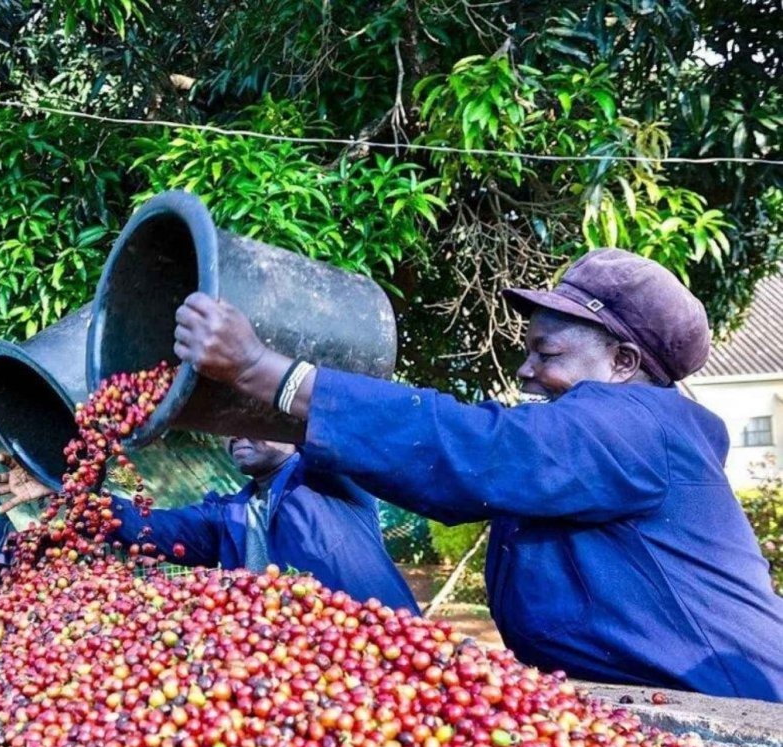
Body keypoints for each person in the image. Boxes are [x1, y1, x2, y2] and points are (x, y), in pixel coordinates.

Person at [172, 247, 783, 701]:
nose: (525, 371)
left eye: (548, 354)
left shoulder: (643, 423)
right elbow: (454, 476)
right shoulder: (589, 447)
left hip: (726, 702)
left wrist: (265, 371)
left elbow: (478, 448)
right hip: (633, 698)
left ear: (624, 363)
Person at [0, 441, 422, 612]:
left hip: (390, 657)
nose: (236, 430)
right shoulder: (229, 515)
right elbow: (145, 528)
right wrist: (66, 491)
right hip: (302, 683)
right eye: (228, 424)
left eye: (252, 415)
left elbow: (319, 419)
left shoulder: (331, 480)